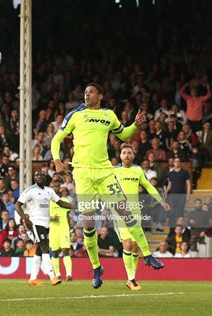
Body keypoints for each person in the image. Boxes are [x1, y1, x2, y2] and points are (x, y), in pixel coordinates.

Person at [51, 82, 150, 289]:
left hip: (105, 172)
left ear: (100, 95)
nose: (86, 95)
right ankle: (97, 268)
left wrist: (135, 125)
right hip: (83, 175)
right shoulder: (75, 115)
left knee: (125, 212)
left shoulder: (109, 115)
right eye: (85, 92)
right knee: (88, 225)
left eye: (91, 92)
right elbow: (57, 139)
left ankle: (147, 256)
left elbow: (123, 135)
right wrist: (57, 161)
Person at [113, 144, 170, 291]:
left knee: (135, 246)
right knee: (128, 244)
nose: (126, 155)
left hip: (135, 211)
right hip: (119, 211)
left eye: (129, 153)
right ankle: (131, 279)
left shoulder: (138, 170)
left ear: (133, 155)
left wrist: (161, 201)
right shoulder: (113, 171)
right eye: (124, 152)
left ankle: (131, 278)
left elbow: (149, 186)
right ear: (120, 155)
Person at [15, 170, 74, 286]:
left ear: (45, 177)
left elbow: (61, 203)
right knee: (44, 247)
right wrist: (24, 218)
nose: (39, 176)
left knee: (38, 250)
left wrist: (76, 206)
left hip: (47, 224)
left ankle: (33, 278)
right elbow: (17, 204)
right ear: (34, 178)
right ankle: (52, 276)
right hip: (36, 223)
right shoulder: (30, 190)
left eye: (41, 174)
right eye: (37, 175)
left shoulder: (49, 191)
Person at [49, 181, 73, 282]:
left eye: (56, 186)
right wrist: (51, 218)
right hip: (53, 230)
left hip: (64, 229)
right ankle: (58, 274)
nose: (54, 188)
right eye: (52, 186)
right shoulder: (46, 201)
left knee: (65, 250)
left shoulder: (65, 200)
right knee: (55, 252)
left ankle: (69, 274)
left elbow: (68, 215)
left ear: (59, 188)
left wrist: (70, 227)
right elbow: (40, 215)